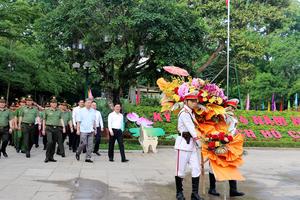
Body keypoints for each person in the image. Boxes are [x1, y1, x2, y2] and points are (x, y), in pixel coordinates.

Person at [208, 98, 245, 197]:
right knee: (213, 166)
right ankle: (212, 188)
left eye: (233, 107)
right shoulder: (222, 116)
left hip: (230, 143)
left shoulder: (233, 117)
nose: (231, 109)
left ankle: (233, 190)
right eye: (229, 107)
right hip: (219, 141)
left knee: (231, 165)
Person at [175, 92, 203, 200]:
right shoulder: (185, 113)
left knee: (196, 169)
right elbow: (191, 129)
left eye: (195, 101)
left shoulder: (191, 113)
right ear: (186, 102)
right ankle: (179, 193)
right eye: (192, 101)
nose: (194, 103)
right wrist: (201, 143)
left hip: (192, 145)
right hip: (183, 144)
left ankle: (194, 194)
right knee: (180, 170)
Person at [42, 96, 66, 162]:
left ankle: (51, 157)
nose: (54, 104)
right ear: (50, 104)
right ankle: (47, 157)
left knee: (54, 143)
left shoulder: (59, 111)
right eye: (53, 103)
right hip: (49, 128)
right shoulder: (46, 111)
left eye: (55, 103)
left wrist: (63, 127)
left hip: (56, 128)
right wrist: (43, 129)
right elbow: (44, 120)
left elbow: (61, 119)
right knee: (50, 142)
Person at [75, 98, 96, 163]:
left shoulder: (93, 111)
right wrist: (78, 130)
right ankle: (78, 152)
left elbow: (94, 121)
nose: (89, 104)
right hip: (83, 130)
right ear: (85, 103)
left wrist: (95, 129)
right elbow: (78, 121)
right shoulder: (81, 111)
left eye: (90, 103)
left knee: (90, 145)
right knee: (83, 143)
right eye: (88, 103)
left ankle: (88, 158)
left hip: (91, 130)